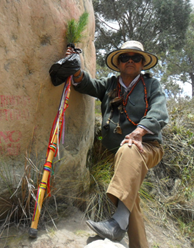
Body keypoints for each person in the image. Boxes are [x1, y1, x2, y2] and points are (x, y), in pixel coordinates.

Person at [51, 40, 169, 248]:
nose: (130, 61)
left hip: (147, 147)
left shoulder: (152, 85)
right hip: (120, 153)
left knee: (130, 148)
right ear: (119, 63)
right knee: (131, 200)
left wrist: (139, 131)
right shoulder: (110, 85)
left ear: (142, 63)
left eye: (136, 58)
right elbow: (88, 85)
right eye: (125, 57)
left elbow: (159, 111)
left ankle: (117, 224)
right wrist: (76, 69)